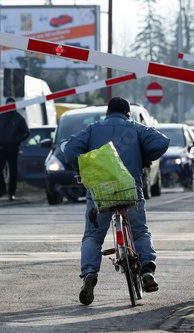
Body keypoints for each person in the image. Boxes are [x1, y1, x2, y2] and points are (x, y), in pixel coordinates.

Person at [63, 97, 170, 306]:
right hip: (129, 189)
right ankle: (147, 269)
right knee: (140, 232)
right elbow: (162, 142)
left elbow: (69, 149)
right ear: (128, 114)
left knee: (93, 236)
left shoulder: (93, 130)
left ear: (107, 113)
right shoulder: (136, 128)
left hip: (100, 191)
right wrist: (144, 156)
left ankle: (89, 274)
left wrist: (84, 168)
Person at [0, 97, 29, 201]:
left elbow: (25, 132)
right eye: (8, 105)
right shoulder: (0, 117)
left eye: (11, 105)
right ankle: (2, 190)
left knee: (13, 171)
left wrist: (16, 140)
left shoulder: (19, 118)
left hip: (13, 148)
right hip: (0, 147)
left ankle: (11, 193)